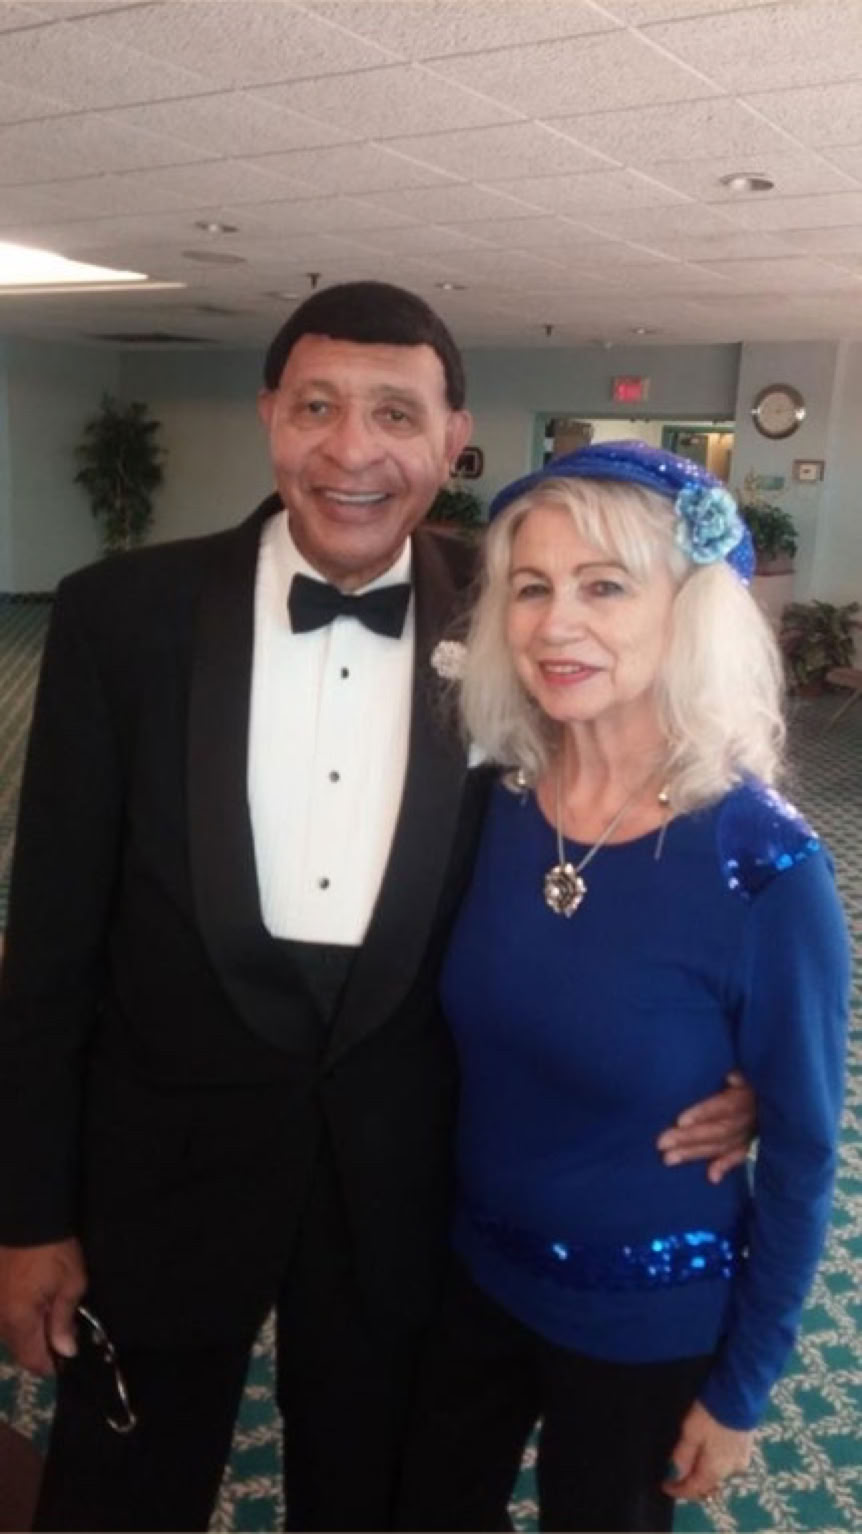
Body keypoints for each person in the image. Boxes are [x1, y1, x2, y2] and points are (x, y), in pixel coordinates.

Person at [0, 288, 754, 1534]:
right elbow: (51, 945)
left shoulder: (523, 617)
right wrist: (29, 1212)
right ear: (269, 415)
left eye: (395, 414)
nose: (352, 450)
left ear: (454, 437)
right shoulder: (117, 616)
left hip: (410, 1176)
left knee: (371, 1497)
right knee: (118, 1491)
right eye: (317, 407)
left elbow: (652, 821)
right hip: (160, 1171)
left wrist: (742, 1064)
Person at [396, 441, 849, 1534]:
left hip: (644, 1316)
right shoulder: (495, 803)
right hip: (472, 1272)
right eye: (532, 587)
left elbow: (803, 1154)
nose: (557, 624)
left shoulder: (762, 866)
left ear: (687, 612)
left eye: (604, 587)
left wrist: (743, 1386)